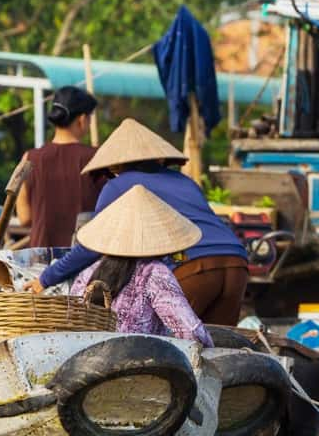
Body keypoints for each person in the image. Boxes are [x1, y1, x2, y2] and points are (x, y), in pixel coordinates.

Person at [27, 119, 249, 326]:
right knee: (219, 348)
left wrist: (46, 279)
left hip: (191, 265)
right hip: (237, 262)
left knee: (173, 345)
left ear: (114, 166)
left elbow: (92, 246)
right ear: (157, 157)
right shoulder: (185, 181)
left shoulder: (117, 186)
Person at [69, 184, 213, 346]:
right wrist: (211, 348)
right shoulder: (154, 273)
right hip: (139, 364)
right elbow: (190, 332)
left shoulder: (88, 272)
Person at [16, 86, 105, 247]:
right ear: (82, 119)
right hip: (84, 260)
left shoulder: (30, 158)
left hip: (41, 261)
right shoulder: (98, 158)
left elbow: (24, 218)